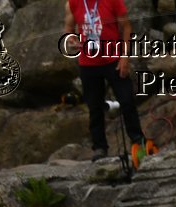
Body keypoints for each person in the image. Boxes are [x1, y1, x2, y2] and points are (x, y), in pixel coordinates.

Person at [64, 0, 152, 166]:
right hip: (88, 63)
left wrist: (125, 56)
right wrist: (72, 40)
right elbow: (68, 29)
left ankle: (137, 140)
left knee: (126, 101)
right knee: (94, 107)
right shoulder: (73, 3)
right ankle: (100, 147)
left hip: (114, 59)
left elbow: (126, 27)